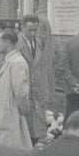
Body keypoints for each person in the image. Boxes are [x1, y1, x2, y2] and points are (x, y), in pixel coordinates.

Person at [0, 29, 33, 150]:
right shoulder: (5, 60)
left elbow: (21, 92)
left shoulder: (17, 62)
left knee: (13, 148)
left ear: (8, 42)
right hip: (4, 113)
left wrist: (23, 110)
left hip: (11, 114)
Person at [19, 14, 54, 147]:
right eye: (30, 30)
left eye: (35, 30)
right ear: (22, 28)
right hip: (25, 86)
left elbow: (40, 67)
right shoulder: (17, 44)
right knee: (25, 125)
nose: (33, 33)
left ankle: (37, 141)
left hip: (37, 88)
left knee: (37, 124)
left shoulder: (38, 42)